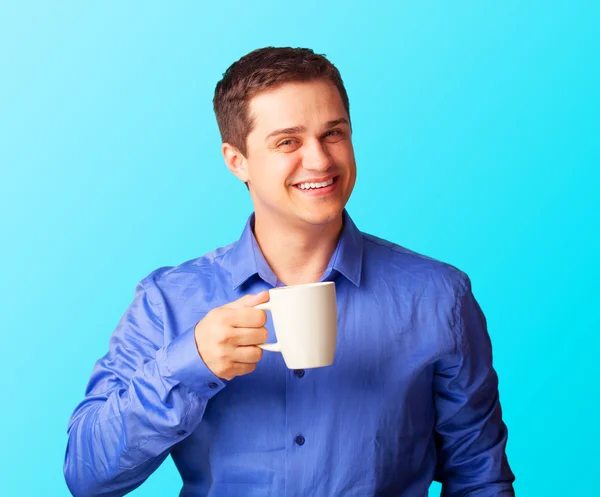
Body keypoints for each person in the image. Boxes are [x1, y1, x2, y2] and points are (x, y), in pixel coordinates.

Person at [64, 47, 515, 497]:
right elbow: (88, 476)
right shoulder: (167, 301)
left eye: (333, 133)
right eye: (287, 142)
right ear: (236, 160)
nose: (319, 160)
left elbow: (480, 477)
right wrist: (190, 364)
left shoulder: (439, 297)